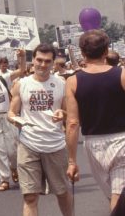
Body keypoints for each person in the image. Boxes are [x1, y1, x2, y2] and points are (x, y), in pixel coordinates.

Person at [65, 29, 125, 212]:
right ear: (106, 51)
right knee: (119, 198)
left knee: (115, 196)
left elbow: (72, 123)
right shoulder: (124, 75)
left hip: (93, 144)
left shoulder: (72, 81)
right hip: (123, 142)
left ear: (83, 52)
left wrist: (71, 161)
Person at [8, 44, 73, 216]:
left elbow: (69, 113)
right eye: (39, 60)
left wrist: (63, 113)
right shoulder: (21, 84)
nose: (42, 65)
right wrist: (17, 120)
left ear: (53, 63)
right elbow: (11, 113)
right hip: (29, 145)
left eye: (47, 61)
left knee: (61, 192)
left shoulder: (61, 83)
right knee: (30, 197)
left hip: (55, 146)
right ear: (33, 60)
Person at [0, 49, 26, 191]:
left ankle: (14, 167)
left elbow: (22, 70)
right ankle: (4, 179)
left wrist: (22, 56)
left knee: (13, 150)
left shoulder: (4, 76)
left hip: (7, 116)